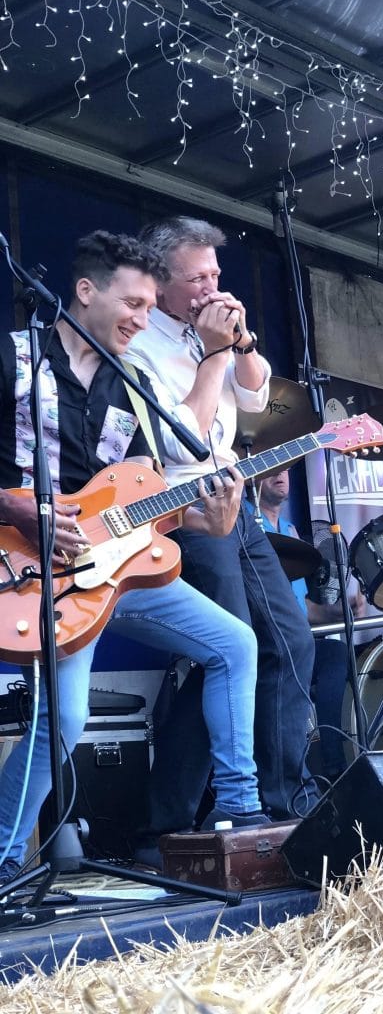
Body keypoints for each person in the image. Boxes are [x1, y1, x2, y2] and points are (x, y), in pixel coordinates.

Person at [0, 231, 267, 886]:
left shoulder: (133, 381)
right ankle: (4, 861)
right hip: (30, 568)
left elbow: (158, 479)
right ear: (86, 292)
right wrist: (16, 509)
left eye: (151, 308)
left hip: (113, 566)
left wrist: (216, 514)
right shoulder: (13, 358)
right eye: (134, 303)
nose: (144, 320)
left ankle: (239, 812)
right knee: (61, 715)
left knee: (234, 644)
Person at [123, 215, 319, 852]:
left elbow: (257, 403)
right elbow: (181, 440)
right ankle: (169, 821)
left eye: (216, 274)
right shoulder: (137, 340)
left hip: (238, 504)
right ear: (159, 280)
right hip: (186, 512)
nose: (212, 287)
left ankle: (280, 805)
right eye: (196, 277)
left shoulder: (205, 330)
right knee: (223, 654)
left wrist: (240, 347)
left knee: (292, 642)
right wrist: (210, 355)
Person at [257, 469, 365, 782]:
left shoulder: (290, 532)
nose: (280, 474)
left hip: (297, 638)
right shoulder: (246, 522)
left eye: (285, 469)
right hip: (266, 638)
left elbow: (302, 609)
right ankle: (290, 774)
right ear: (253, 478)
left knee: (335, 653)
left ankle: (335, 766)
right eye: (270, 470)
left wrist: (337, 612)